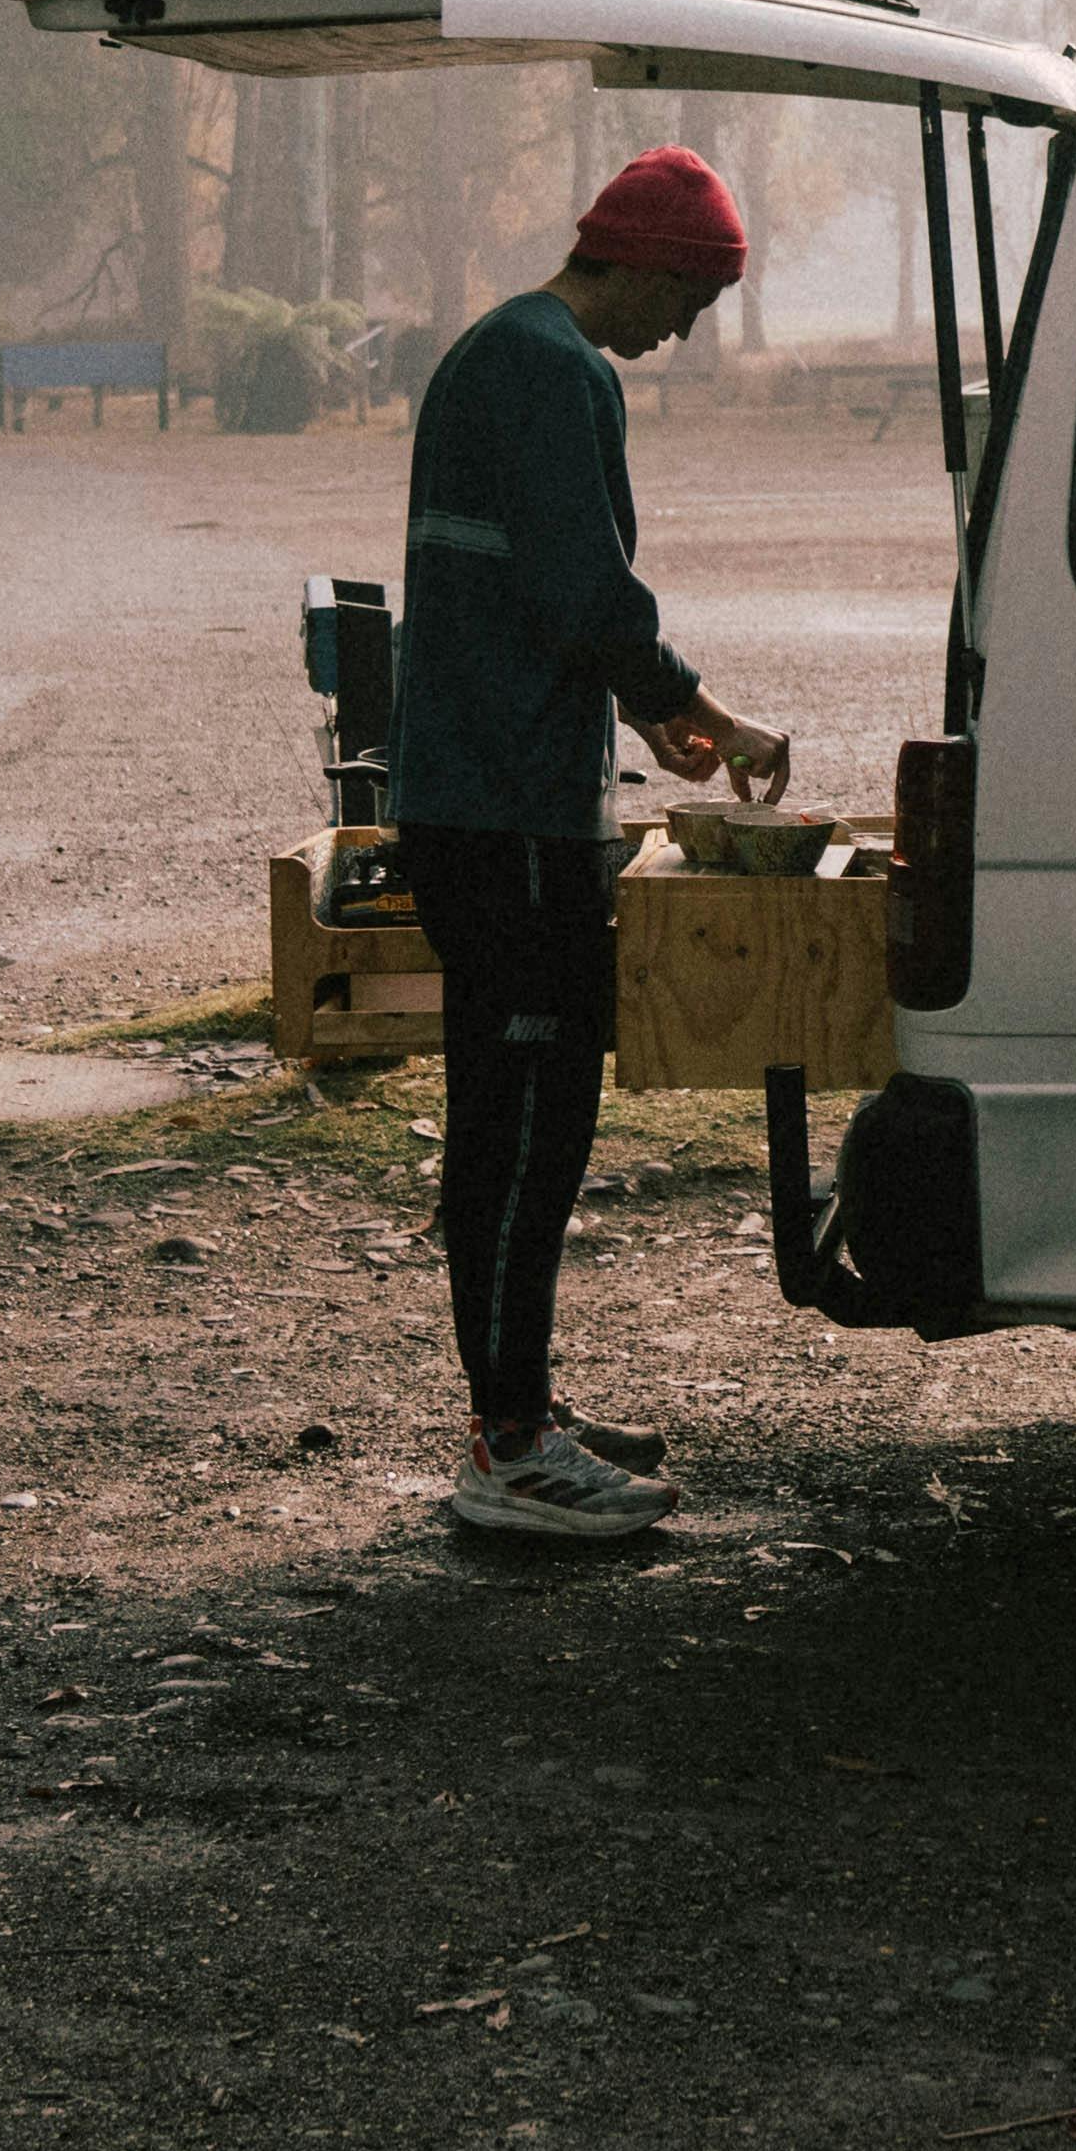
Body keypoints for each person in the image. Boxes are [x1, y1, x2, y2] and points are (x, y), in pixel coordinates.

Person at [392, 145, 791, 1555]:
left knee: (521, 1119)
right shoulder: (558, 368)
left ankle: (522, 1404)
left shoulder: (496, 350)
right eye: (689, 298)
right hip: (508, 808)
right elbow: (587, 593)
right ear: (642, 262)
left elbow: (536, 595)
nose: (683, 330)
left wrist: (643, 710)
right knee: (524, 1126)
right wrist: (709, 713)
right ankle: (510, 1448)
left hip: (482, 790)